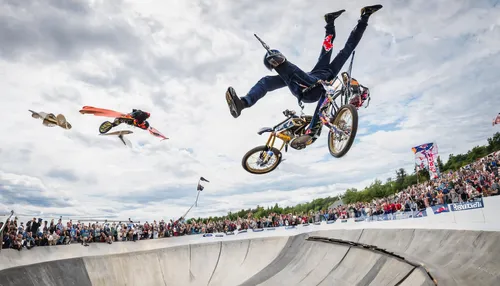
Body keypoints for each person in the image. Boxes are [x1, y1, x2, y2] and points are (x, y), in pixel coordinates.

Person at [225, 4, 382, 119]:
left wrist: (364, 19)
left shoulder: (332, 73)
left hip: (312, 90)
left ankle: (280, 63)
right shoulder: (322, 68)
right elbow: (327, 48)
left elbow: (350, 45)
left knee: (344, 52)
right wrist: (330, 24)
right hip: (309, 80)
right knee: (267, 81)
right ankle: (243, 103)